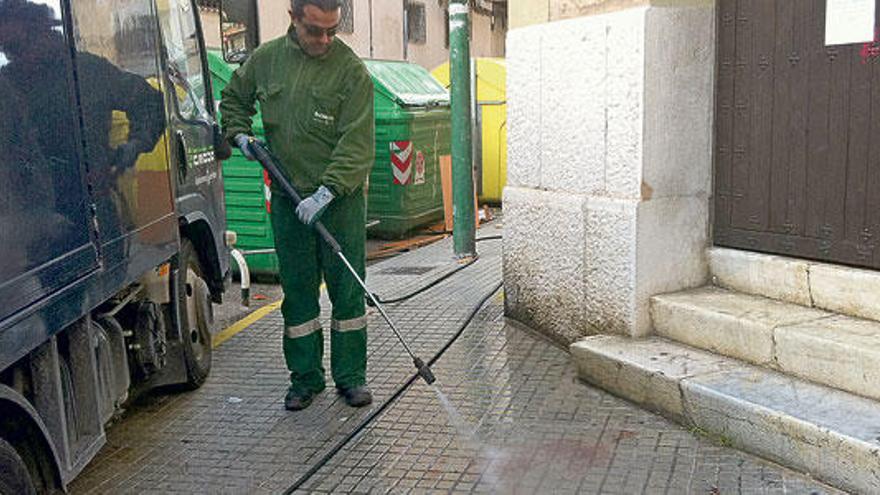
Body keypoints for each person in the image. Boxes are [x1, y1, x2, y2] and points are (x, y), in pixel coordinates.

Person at [220, 0, 375, 411]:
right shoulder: (266, 61)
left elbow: (357, 144)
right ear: (294, 19)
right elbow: (233, 100)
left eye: (332, 31)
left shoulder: (351, 72)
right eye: (315, 31)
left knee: (347, 294)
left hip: (339, 203)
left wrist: (326, 192)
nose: (325, 40)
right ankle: (305, 379)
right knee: (299, 293)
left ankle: (351, 377)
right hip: (289, 201)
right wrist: (239, 136)